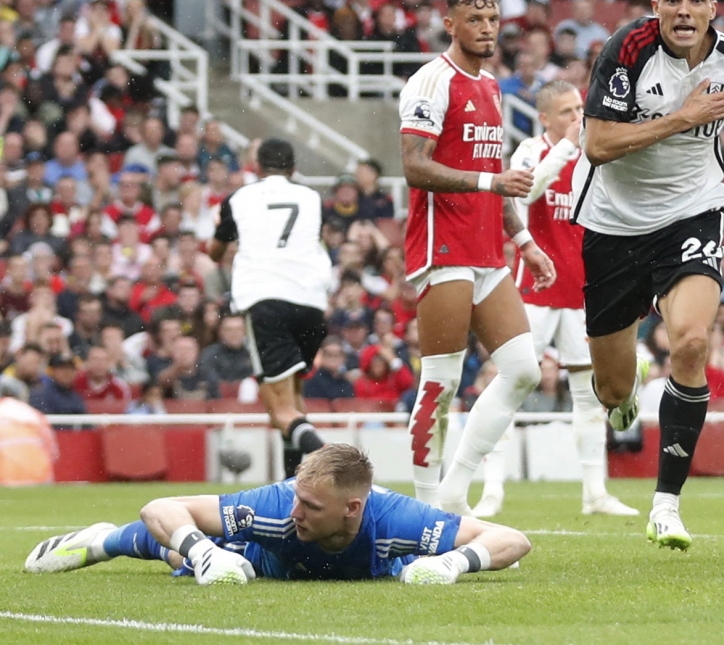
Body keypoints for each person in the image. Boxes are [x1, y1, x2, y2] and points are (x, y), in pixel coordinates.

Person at [573, 0, 724, 549]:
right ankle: (628, 386)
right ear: (656, 6)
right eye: (672, 0)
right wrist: (682, 118)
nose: (684, 11)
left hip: (692, 211)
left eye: (696, 0)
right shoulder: (627, 49)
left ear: (714, 8)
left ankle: (666, 505)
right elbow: (597, 144)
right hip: (613, 223)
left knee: (692, 342)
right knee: (614, 389)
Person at [398, 0, 555, 513]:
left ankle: (453, 489)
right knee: (440, 385)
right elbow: (414, 167)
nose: (487, 29)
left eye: (492, 20)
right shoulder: (430, 82)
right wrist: (490, 185)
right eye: (475, 20)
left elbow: (497, 173)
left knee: (524, 371)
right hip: (443, 249)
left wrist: (525, 241)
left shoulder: (489, 85)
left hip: (489, 251)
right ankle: (423, 508)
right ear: (451, 24)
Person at [24, 443, 530, 586]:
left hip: (303, 565)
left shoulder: (397, 519)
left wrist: (451, 563)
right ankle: (98, 542)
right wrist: (202, 554)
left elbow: (513, 538)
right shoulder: (274, 507)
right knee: (173, 546)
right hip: (255, 559)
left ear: (354, 508)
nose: (296, 511)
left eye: (310, 505)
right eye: (296, 496)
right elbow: (161, 506)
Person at [474, 80, 637, 518]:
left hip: (582, 293)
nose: (576, 117)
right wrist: (564, 148)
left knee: (588, 394)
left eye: (580, 109)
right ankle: (492, 490)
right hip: (535, 292)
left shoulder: (592, 155)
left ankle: (595, 493)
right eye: (566, 111)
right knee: (513, 383)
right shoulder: (531, 150)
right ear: (544, 118)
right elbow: (525, 191)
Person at [209, 138, 333, 478]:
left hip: (266, 300)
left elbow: (215, 252)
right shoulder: (312, 198)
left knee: (278, 409)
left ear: (256, 168)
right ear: (293, 169)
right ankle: (292, 481)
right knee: (294, 395)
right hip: (310, 303)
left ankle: (327, 458)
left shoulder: (239, 198)